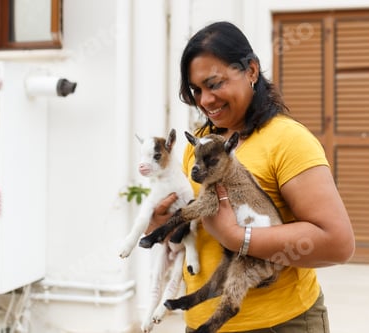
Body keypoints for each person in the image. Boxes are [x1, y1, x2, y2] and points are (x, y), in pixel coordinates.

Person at [146, 21, 355, 333]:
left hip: (280, 323)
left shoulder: (287, 140)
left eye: (214, 84)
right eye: (196, 90)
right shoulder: (201, 145)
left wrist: (237, 238)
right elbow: (201, 232)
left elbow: (337, 242)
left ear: (252, 71)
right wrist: (160, 225)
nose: (205, 100)